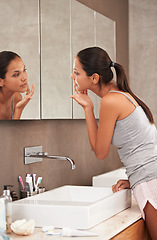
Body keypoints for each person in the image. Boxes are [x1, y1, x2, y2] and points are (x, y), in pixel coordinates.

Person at [70, 46, 157, 239]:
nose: (72, 77)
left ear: (94, 78)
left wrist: (88, 109)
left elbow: (100, 152)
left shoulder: (111, 101)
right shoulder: (122, 94)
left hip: (152, 183)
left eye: (76, 72)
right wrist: (133, 180)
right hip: (149, 178)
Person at [0, 51, 35, 119]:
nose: (24, 78)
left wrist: (19, 109)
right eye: (16, 74)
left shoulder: (16, 98)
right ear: (1, 81)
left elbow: (13, 129)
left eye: (24, 70)